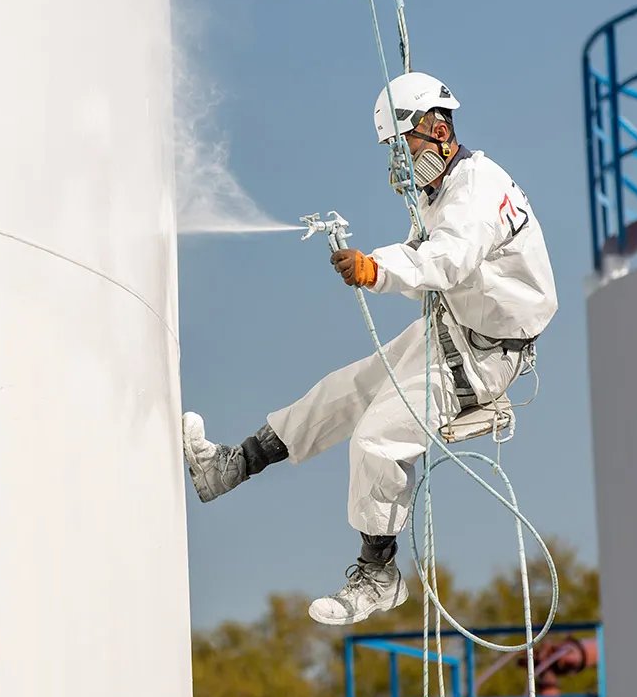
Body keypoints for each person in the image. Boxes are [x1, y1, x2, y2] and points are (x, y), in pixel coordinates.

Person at [181, 71, 558, 625]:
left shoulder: (475, 190)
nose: (398, 161)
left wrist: (375, 268)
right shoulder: (441, 191)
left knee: (378, 440)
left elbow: (446, 261)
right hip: (454, 330)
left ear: (437, 129)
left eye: (403, 145)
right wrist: (376, 264)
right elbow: (423, 262)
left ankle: (379, 576)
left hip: (482, 358)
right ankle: (230, 468)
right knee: (341, 392)